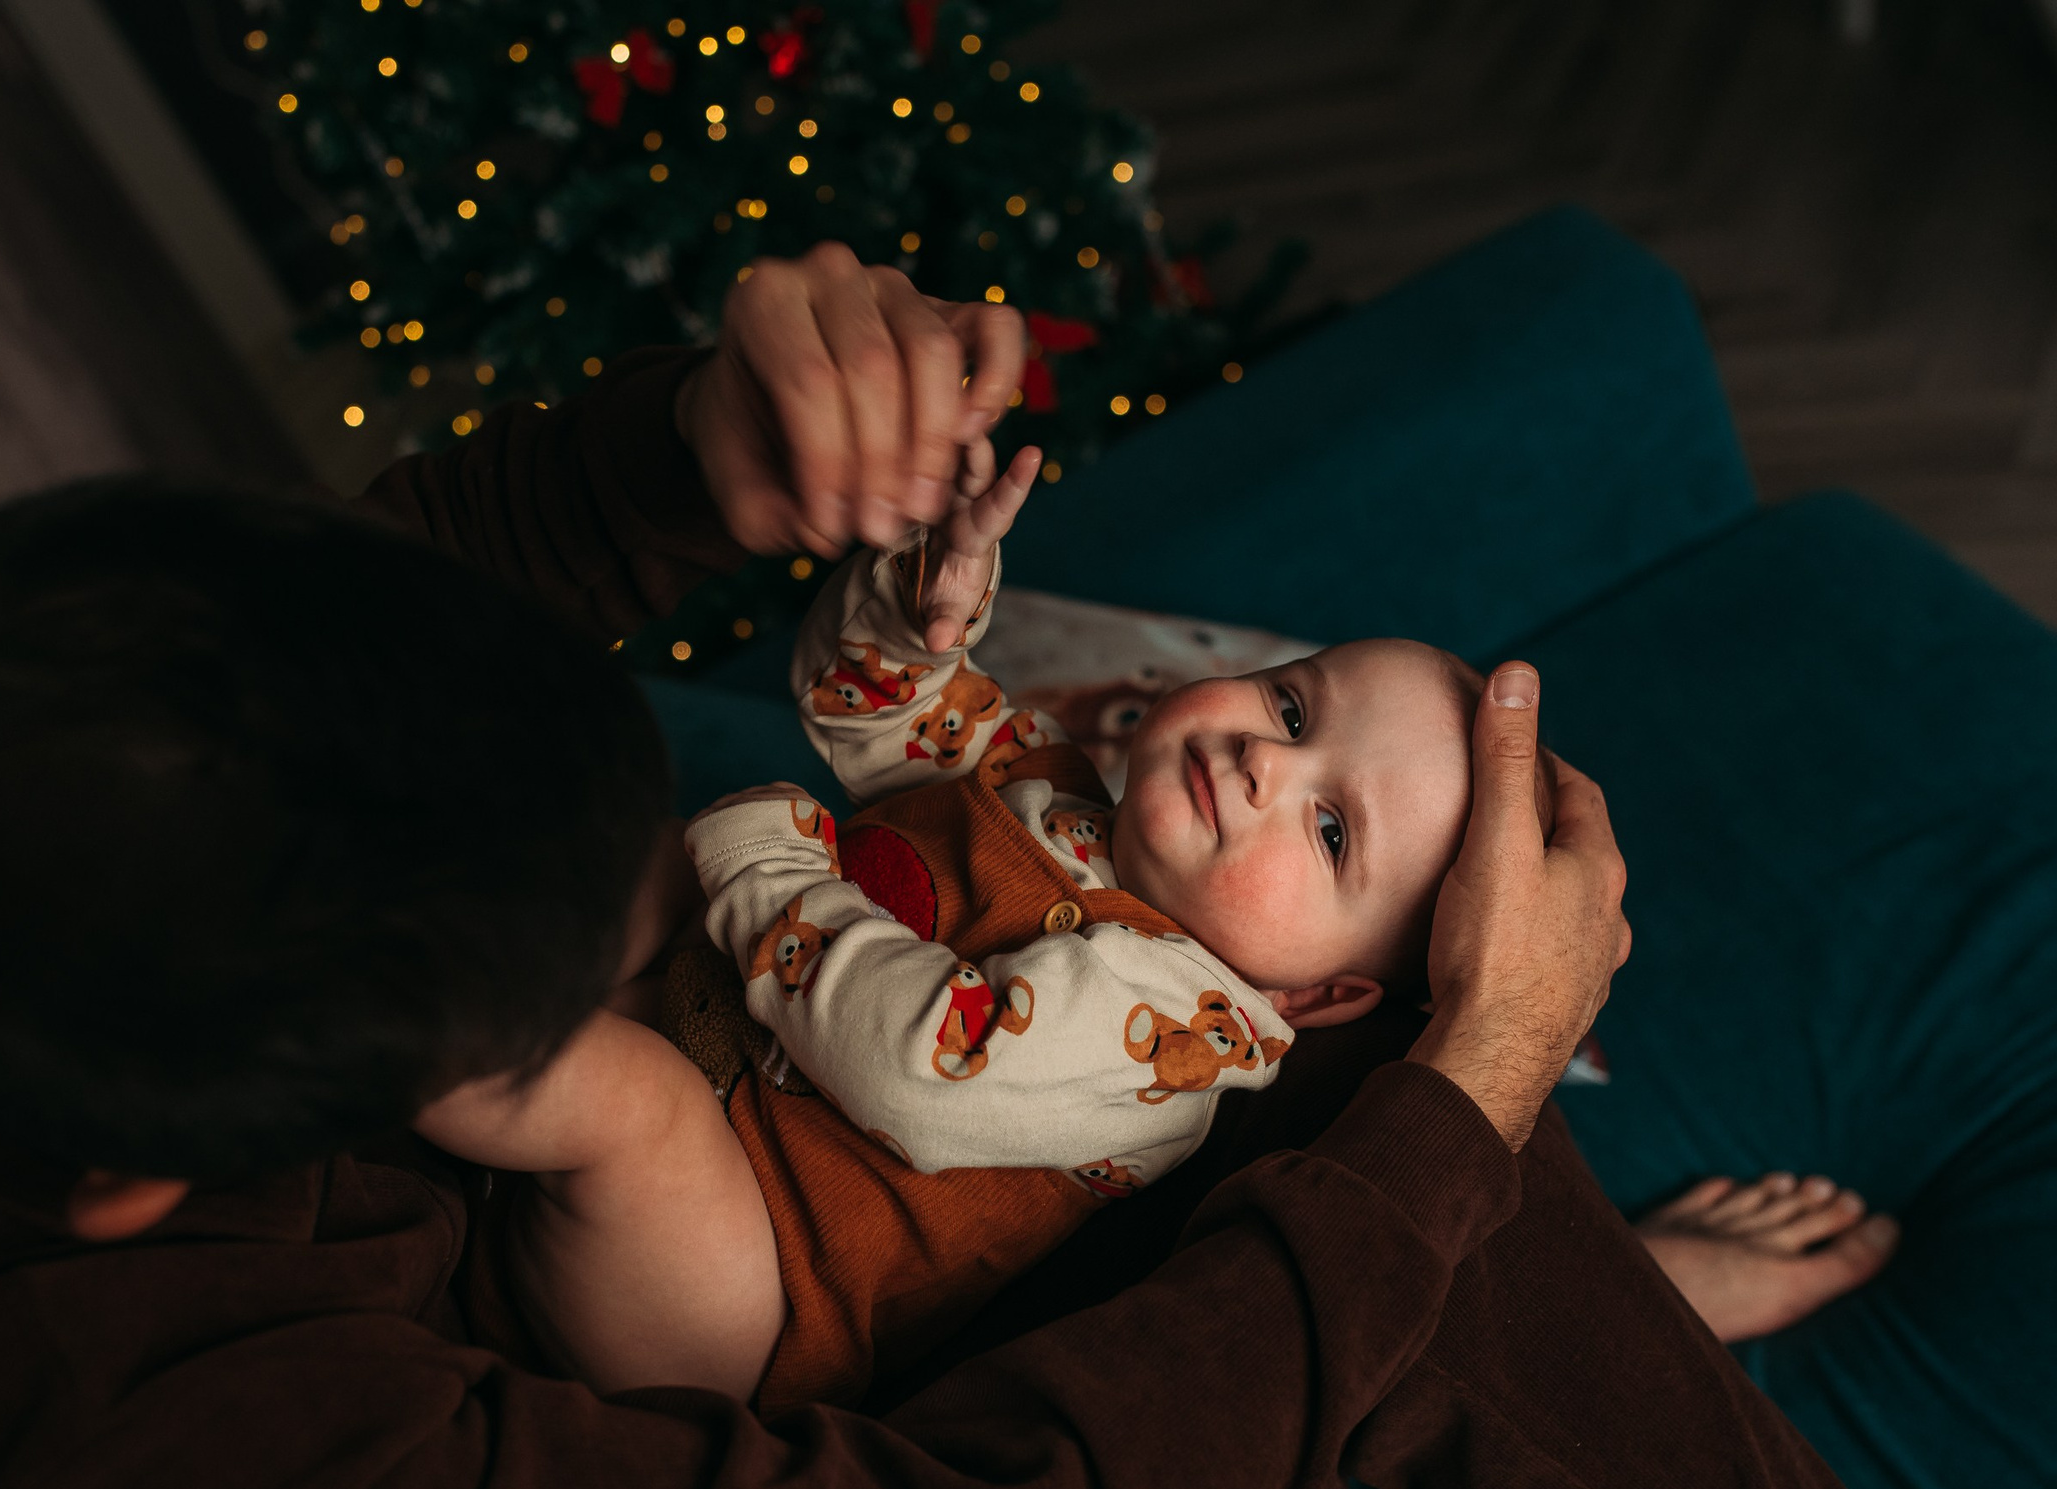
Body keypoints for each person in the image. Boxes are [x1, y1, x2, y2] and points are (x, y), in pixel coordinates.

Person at [0, 244, 1973, 1489]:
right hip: (830, 1470)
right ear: (137, 1175)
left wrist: (688, 458)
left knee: (1289, 1026)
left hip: (858, 1103)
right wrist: (1461, 1104)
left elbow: (384, 593)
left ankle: (1579, 1325)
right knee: (1352, 1129)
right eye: (538, 1019)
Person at [417, 443, 1520, 1410]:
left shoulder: (1176, 1031)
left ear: (1314, 996)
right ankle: (449, 930)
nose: (1264, 760)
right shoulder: (1047, 778)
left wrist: (768, 870)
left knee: (633, 1099)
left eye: (1330, 830)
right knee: (646, 860)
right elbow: (864, 707)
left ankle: (379, 1017)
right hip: (700, 1009)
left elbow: (921, 1070)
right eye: (1291, 705)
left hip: (738, 1270)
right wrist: (919, 612)